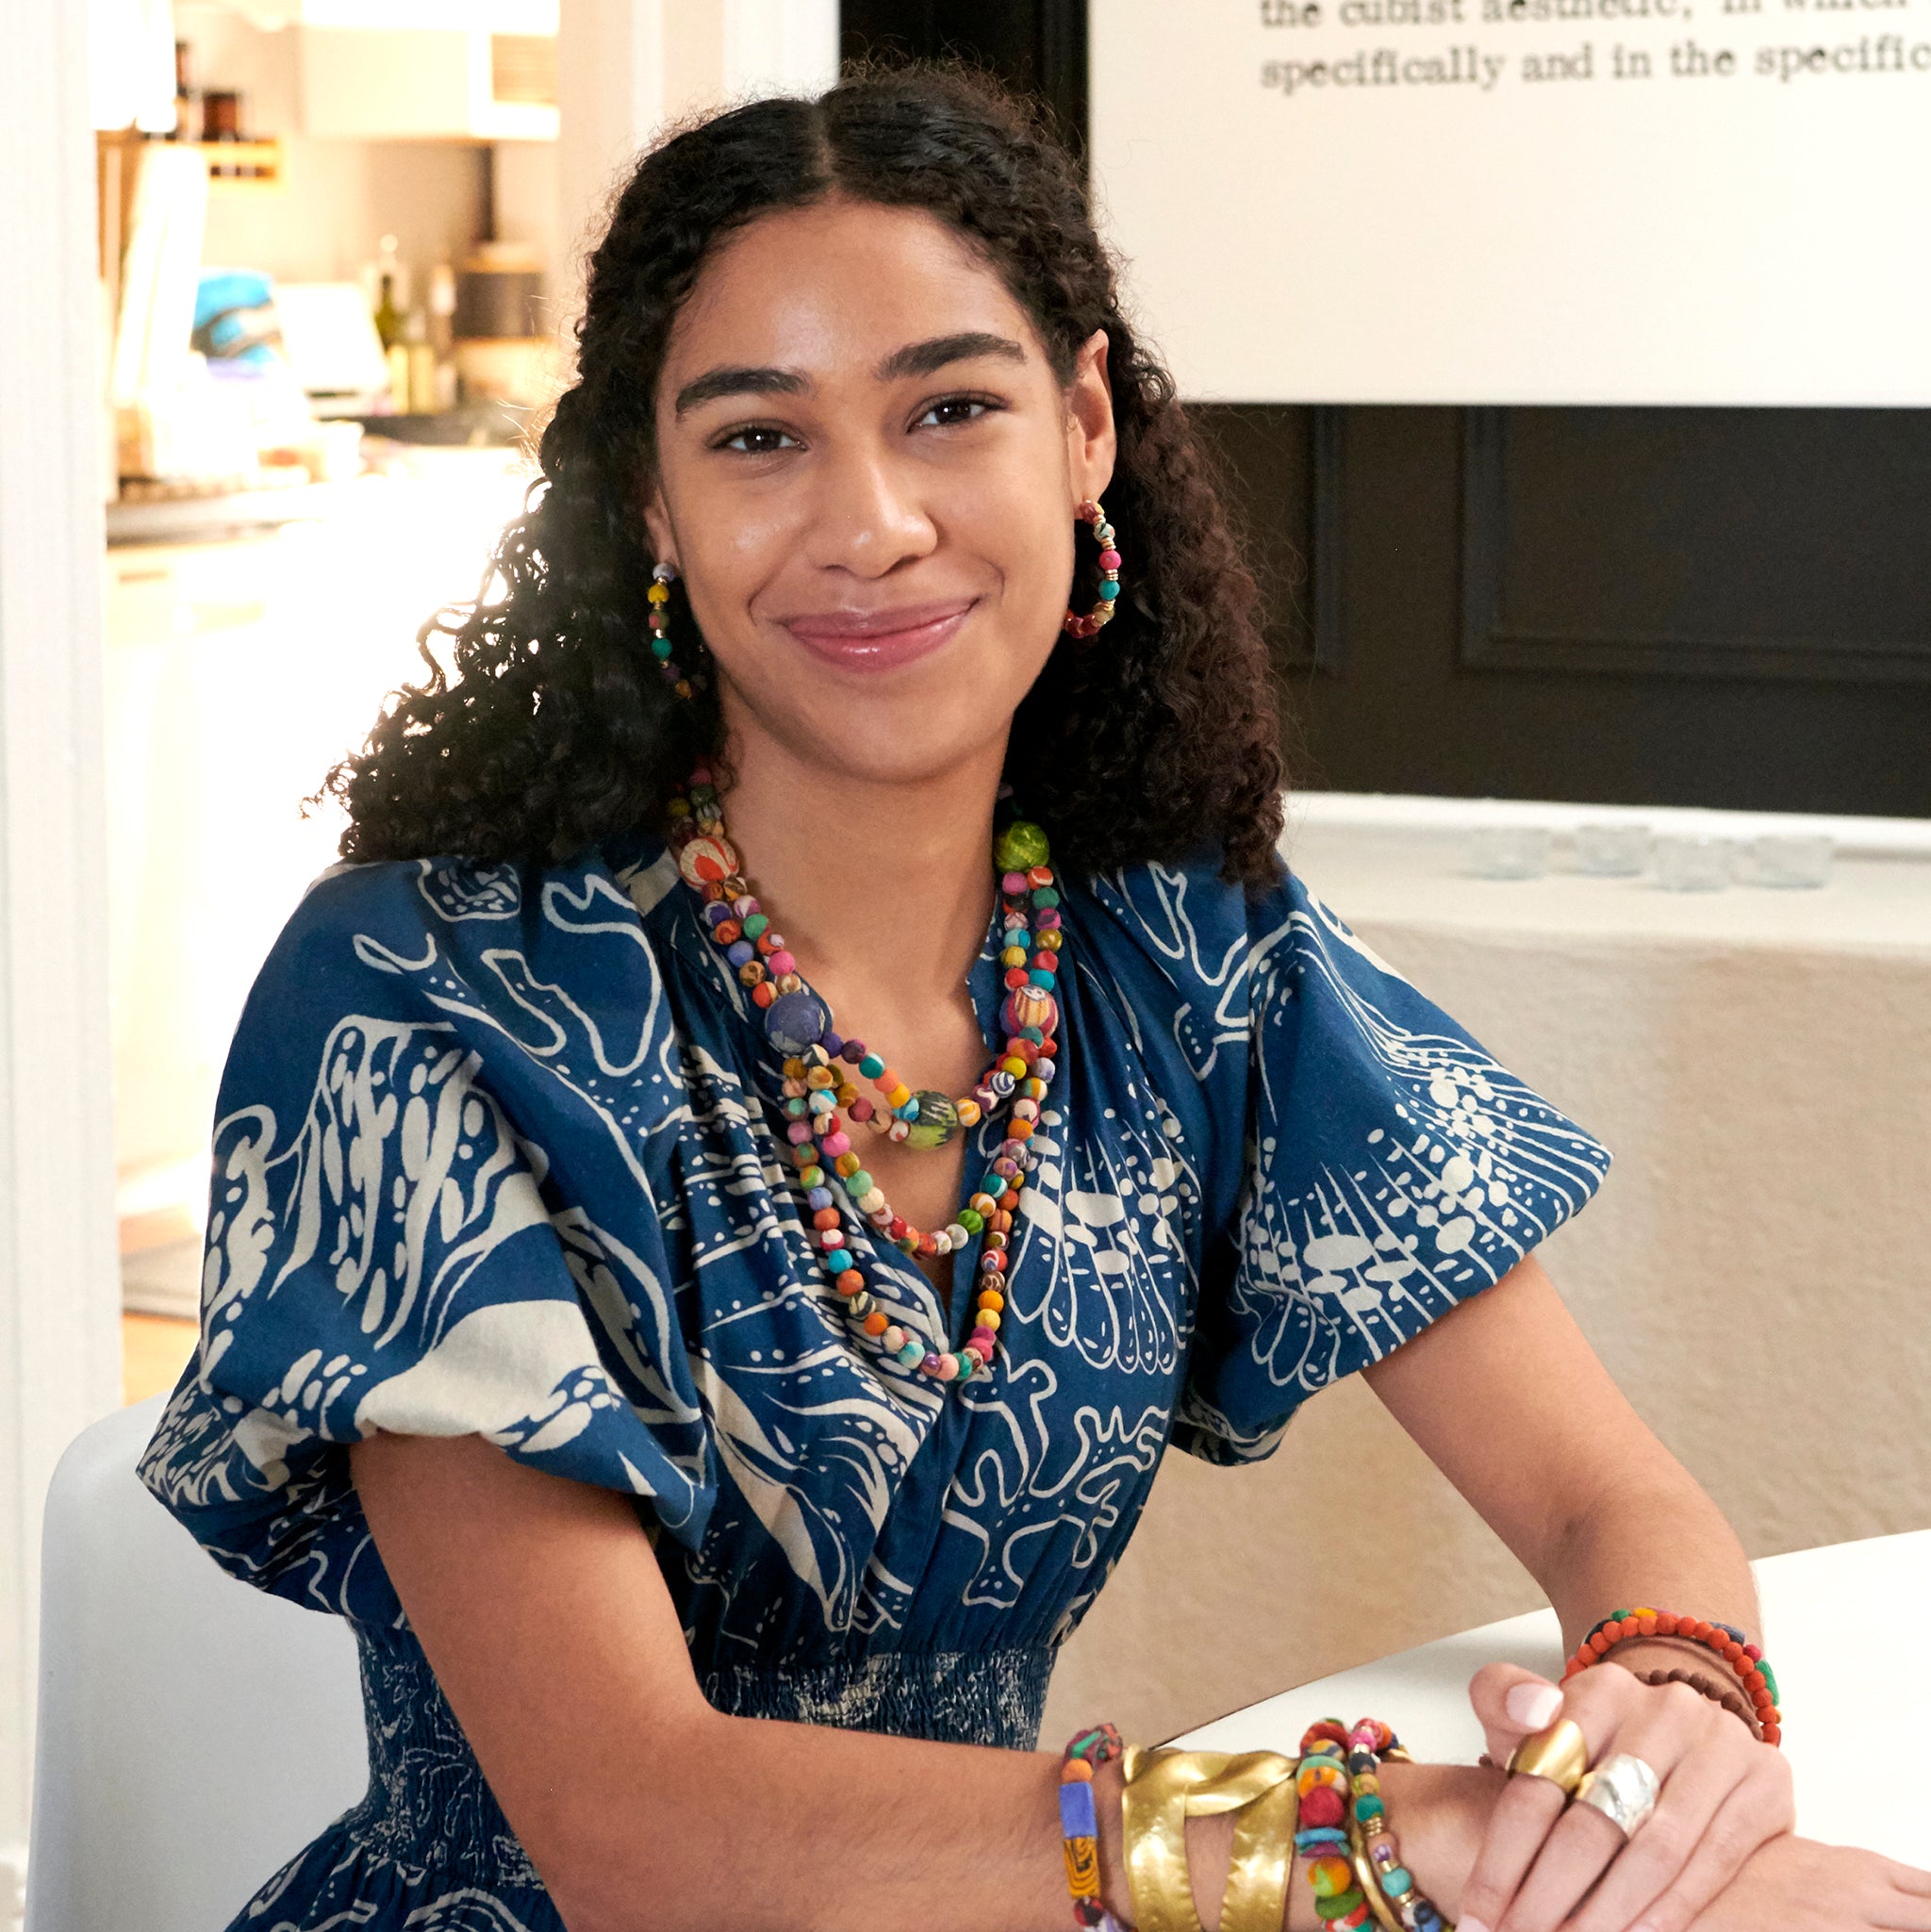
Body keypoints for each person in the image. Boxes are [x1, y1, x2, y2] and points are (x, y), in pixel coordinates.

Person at [140, 63, 1929, 1932]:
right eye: (758, 438)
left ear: (1081, 429)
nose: (873, 520)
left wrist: (1659, 1739)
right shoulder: (420, 997)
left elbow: (1608, 1502)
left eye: (951, 408)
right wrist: (1389, 1829)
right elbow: (639, 1826)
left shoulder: (1182, 954)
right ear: (649, 506)